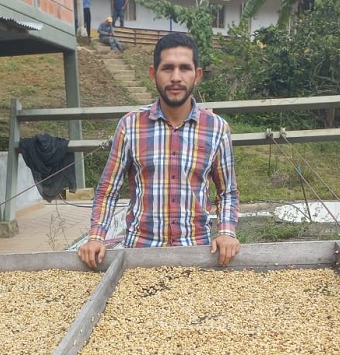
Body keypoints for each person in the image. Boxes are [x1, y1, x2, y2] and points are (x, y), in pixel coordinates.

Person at [78, 32, 240, 269]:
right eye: (167, 68)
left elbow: (227, 192)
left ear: (197, 75)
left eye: (184, 68)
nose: (176, 77)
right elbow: (108, 190)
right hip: (140, 255)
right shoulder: (130, 125)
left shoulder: (217, 128)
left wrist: (226, 232)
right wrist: (96, 237)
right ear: (153, 74)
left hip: (198, 253)